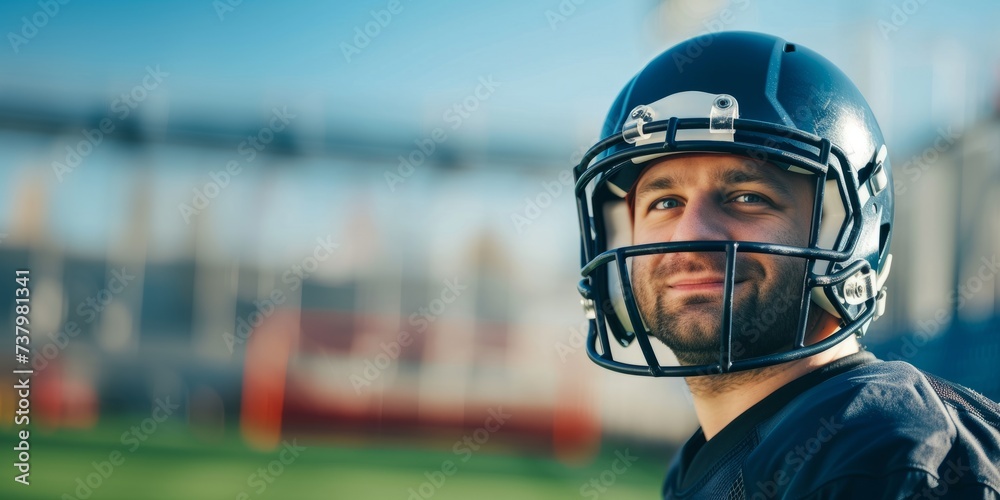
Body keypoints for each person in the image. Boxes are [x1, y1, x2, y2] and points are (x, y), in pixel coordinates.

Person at [573, 31, 1000, 499]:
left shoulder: (888, 458)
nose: (690, 236)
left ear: (844, 233)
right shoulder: (719, 455)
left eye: (747, 197)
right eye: (666, 201)